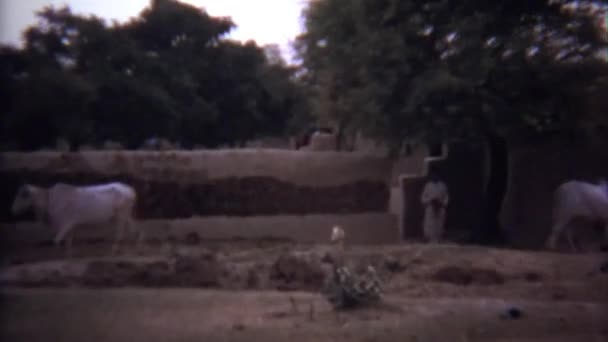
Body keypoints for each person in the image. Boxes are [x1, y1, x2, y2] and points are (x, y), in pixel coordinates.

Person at [420, 169, 450, 243]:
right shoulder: (428, 185)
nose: (434, 177)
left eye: (436, 175)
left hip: (440, 207)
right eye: (433, 175)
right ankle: (429, 238)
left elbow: (446, 196)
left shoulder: (443, 185)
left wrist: (443, 204)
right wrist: (430, 201)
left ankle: (439, 238)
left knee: (439, 223)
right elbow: (423, 197)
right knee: (429, 223)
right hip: (430, 207)